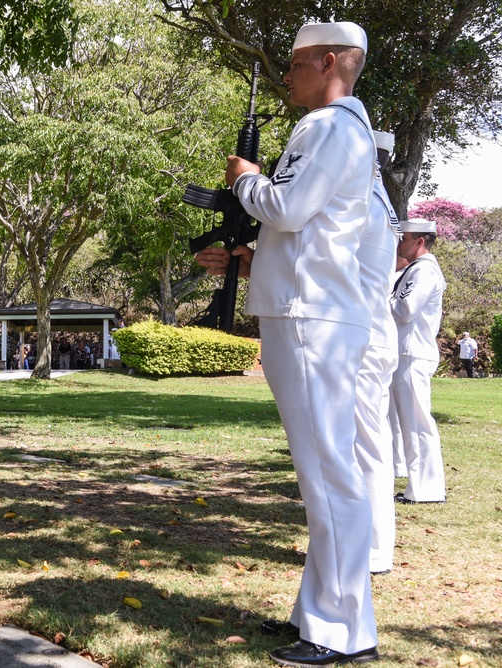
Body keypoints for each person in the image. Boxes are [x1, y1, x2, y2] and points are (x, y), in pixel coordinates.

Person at [196, 21, 378, 665]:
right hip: (308, 313)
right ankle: (318, 614)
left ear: (329, 61)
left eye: (299, 62)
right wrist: (247, 259)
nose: (289, 73)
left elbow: (290, 207)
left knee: (330, 477)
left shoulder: (329, 128)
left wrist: (245, 176)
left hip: (313, 323)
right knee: (323, 477)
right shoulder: (340, 131)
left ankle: (339, 631)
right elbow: (310, 234)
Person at [353, 130, 401, 575]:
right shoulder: (382, 200)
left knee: (364, 447)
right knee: (370, 445)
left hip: (364, 338)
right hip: (375, 335)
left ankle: (370, 551)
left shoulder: (364, 200)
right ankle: (371, 547)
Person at [389, 217, 447, 504]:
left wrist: (377, 298)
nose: (400, 243)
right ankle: (410, 478)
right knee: (403, 423)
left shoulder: (424, 272)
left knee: (417, 423)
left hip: (412, 354)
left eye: (404, 238)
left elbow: (405, 309)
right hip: (403, 353)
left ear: (419, 241)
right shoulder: (414, 270)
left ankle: (427, 489)